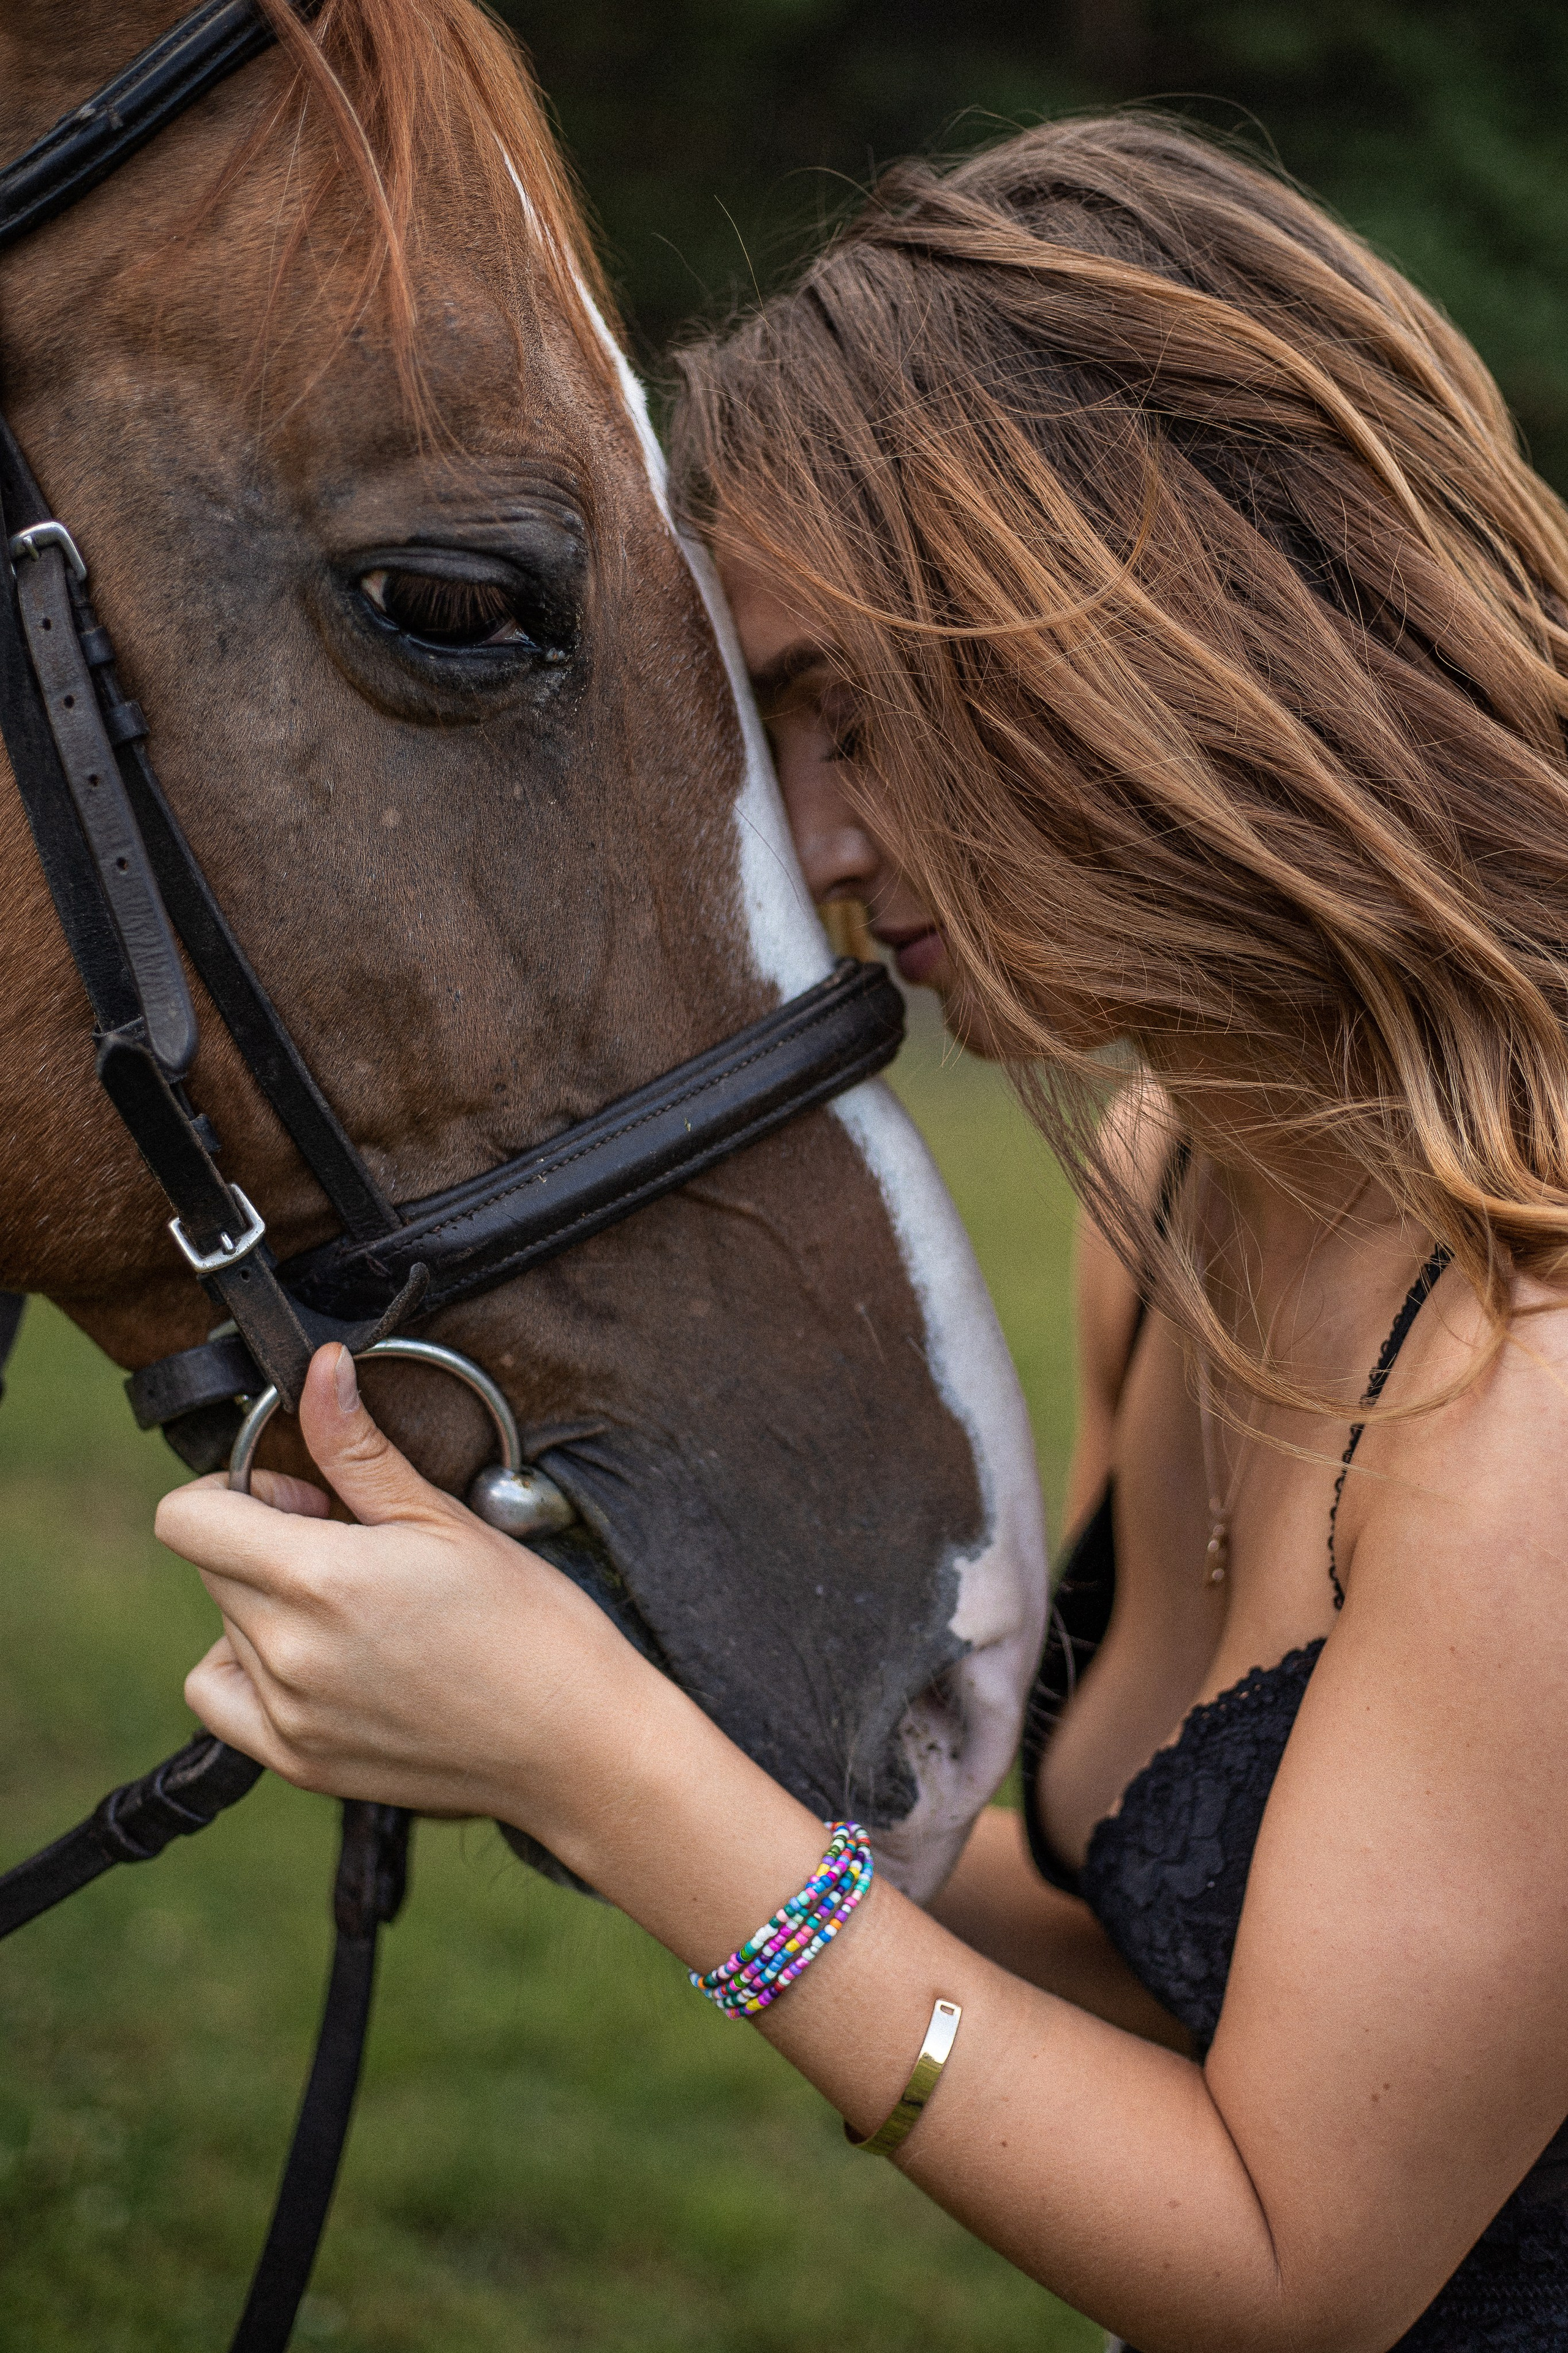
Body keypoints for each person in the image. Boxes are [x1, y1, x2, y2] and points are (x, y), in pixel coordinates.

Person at [157, 116, 1568, 2351]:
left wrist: (606, 1773)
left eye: (851, 708)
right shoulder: (1179, 1187)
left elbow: (1299, 2267)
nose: (809, 839)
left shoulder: (1533, 1397)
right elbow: (1159, 1952)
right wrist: (623, 1705)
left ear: (1159, 640)